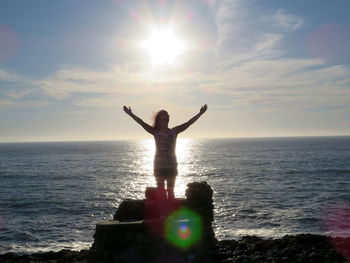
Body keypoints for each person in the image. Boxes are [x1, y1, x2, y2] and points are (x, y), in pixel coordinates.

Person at [123, 104, 208, 200]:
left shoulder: (174, 131)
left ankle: (171, 214)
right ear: (159, 119)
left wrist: (200, 113)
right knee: (161, 192)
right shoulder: (155, 132)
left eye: (167, 114)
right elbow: (141, 123)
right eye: (164, 114)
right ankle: (162, 214)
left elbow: (188, 123)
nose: (167, 116)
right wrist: (130, 114)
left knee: (171, 192)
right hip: (159, 166)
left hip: (171, 166)